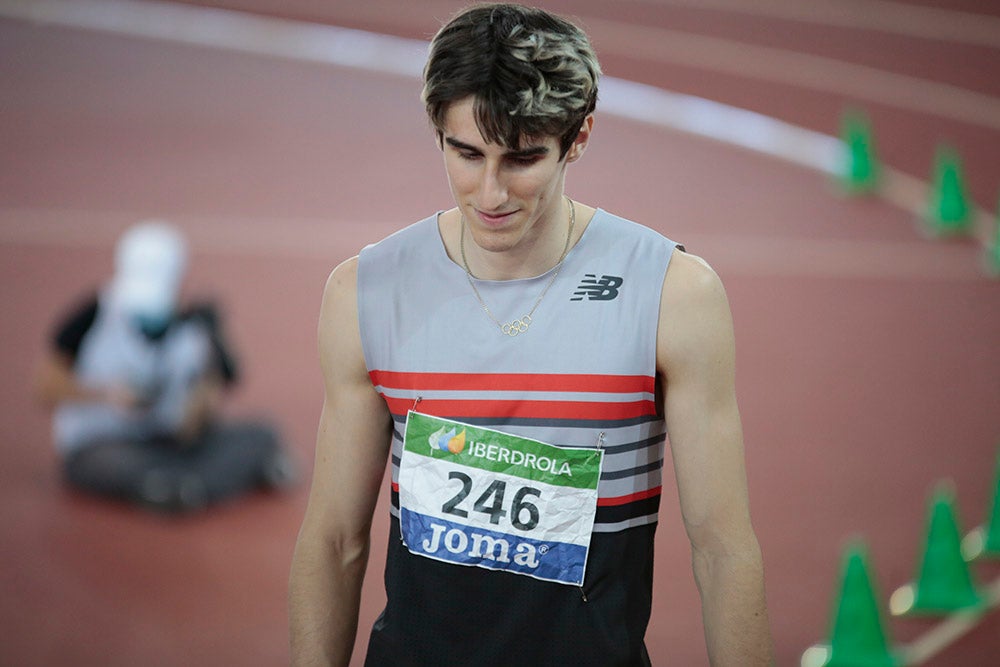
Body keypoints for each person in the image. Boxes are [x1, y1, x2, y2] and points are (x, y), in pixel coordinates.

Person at [289, 4, 773, 665]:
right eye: (466, 153)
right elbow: (334, 540)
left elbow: (723, 550)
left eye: (522, 158)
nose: (490, 192)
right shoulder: (366, 291)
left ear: (578, 138)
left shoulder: (670, 294)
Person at [34, 220, 296, 513]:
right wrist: (108, 395)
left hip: (166, 441)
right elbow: (45, 387)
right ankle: (190, 485)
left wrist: (212, 367)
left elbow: (194, 422)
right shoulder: (95, 314)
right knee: (116, 467)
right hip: (102, 443)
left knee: (261, 433)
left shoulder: (194, 329)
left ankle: (184, 487)